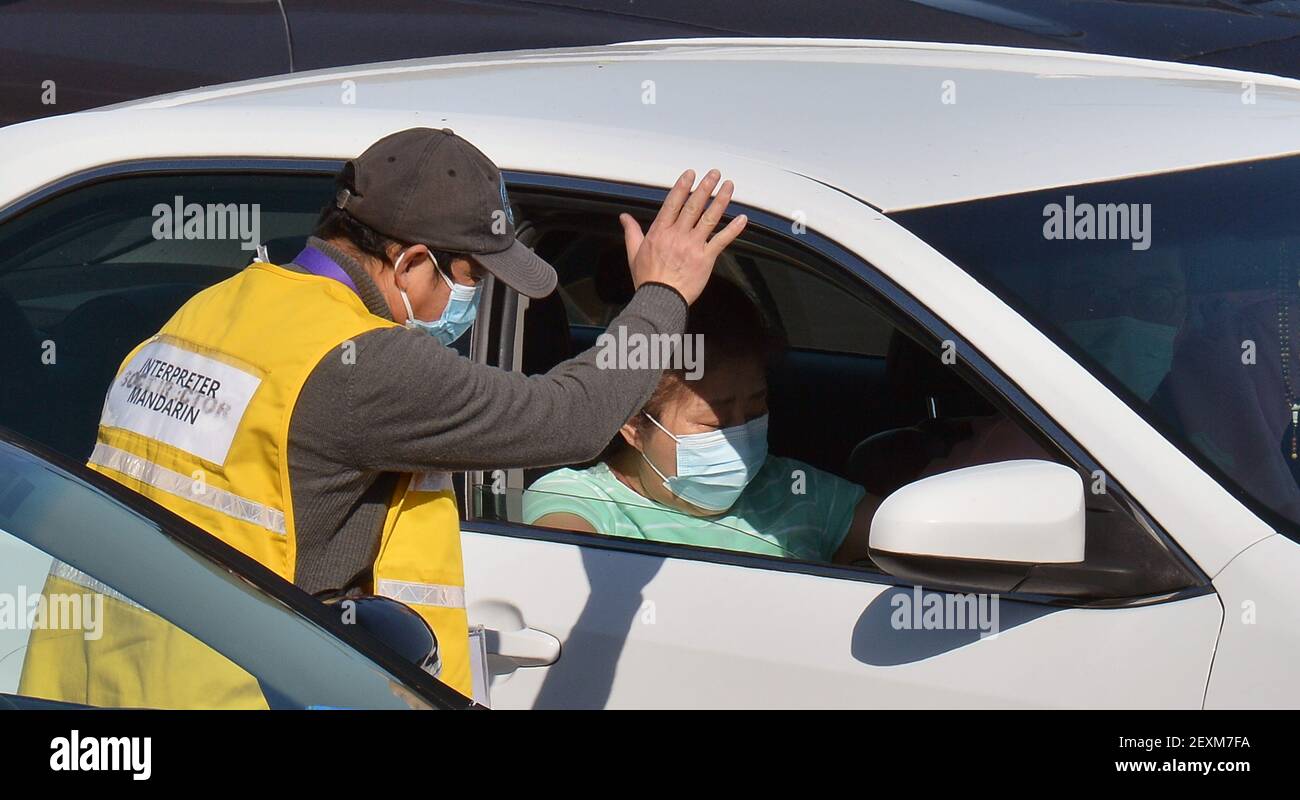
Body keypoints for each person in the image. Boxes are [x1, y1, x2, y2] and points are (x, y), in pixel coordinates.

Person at [18, 127, 747, 707]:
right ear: (410, 266)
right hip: (233, 691)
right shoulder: (362, 367)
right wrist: (662, 295)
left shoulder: (215, 309)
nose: (473, 305)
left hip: (107, 683)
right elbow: (572, 419)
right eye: (471, 281)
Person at [524, 278, 877, 564]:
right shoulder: (580, 501)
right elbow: (563, 576)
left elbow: (909, 532)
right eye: (715, 423)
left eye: (755, 410)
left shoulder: (795, 489)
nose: (742, 436)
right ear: (631, 422)